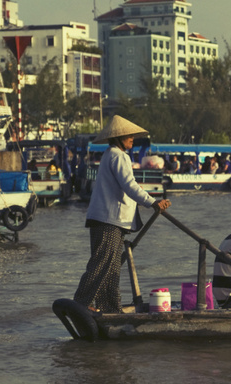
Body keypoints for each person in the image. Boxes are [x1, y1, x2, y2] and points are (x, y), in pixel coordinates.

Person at [73, 115, 172, 313]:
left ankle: (109, 308)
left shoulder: (111, 155)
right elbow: (129, 185)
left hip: (110, 220)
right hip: (108, 220)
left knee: (111, 267)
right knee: (102, 264)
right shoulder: (118, 156)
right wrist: (152, 202)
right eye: (128, 136)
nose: (132, 139)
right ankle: (81, 303)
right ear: (118, 138)